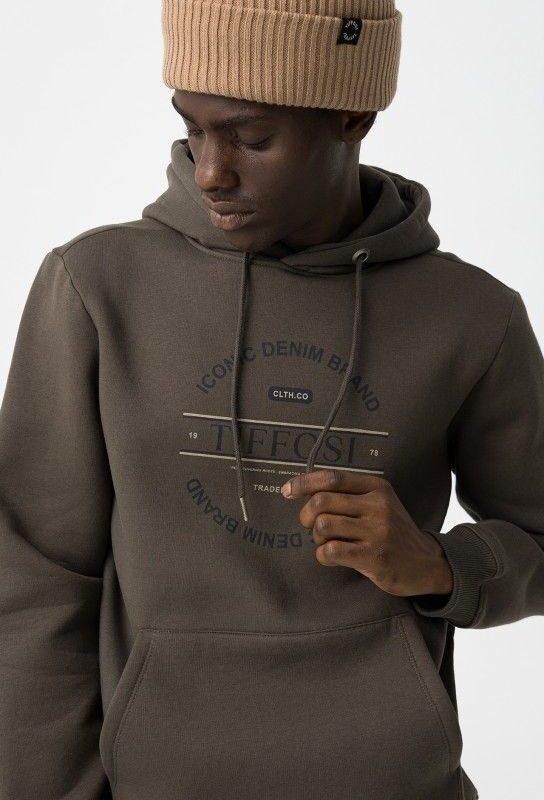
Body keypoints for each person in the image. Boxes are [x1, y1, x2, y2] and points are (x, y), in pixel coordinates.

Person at [1, 1, 543, 798]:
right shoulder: (97, 287)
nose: (210, 171)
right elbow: (34, 579)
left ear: (353, 115)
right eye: (192, 127)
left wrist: (439, 566)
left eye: (253, 139)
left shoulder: (471, 317)